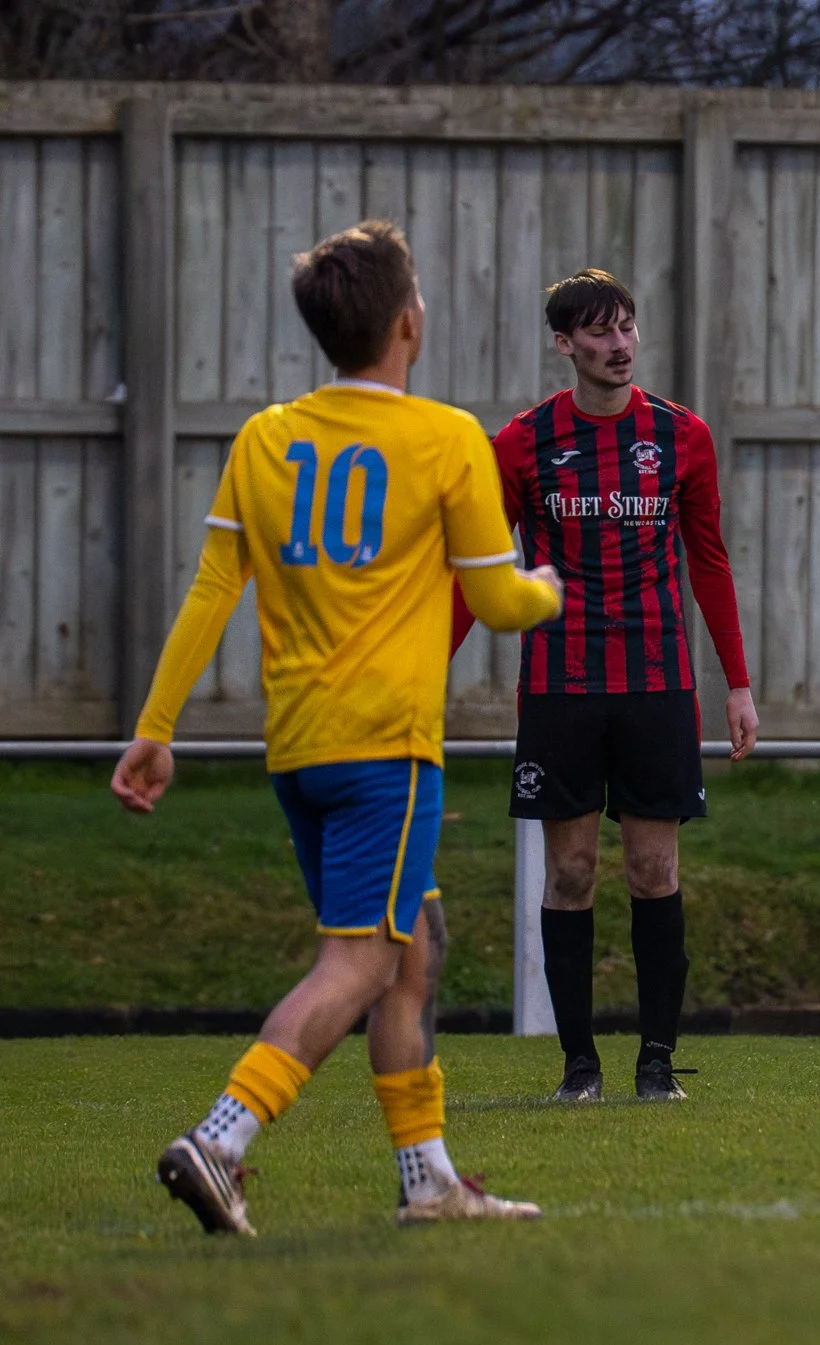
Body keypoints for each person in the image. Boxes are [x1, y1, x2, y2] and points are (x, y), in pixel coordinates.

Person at [112, 221, 564, 1235]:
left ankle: (428, 1181)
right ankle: (221, 1140)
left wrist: (156, 728)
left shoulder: (264, 438)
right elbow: (494, 602)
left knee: (414, 951)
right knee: (359, 963)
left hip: (302, 752)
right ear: (410, 322)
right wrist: (547, 589)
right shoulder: (444, 437)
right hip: (387, 754)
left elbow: (212, 589)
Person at [451, 268, 756, 1104]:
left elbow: (710, 560)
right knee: (573, 873)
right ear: (564, 345)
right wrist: (423, 666)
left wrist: (737, 683)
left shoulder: (681, 435)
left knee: (655, 868)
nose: (619, 345)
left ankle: (656, 1066)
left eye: (626, 328)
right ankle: (579, 1069)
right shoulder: (520, 444)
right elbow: (475, 570)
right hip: (561, 685)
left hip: (658, 683)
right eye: (599, 333)